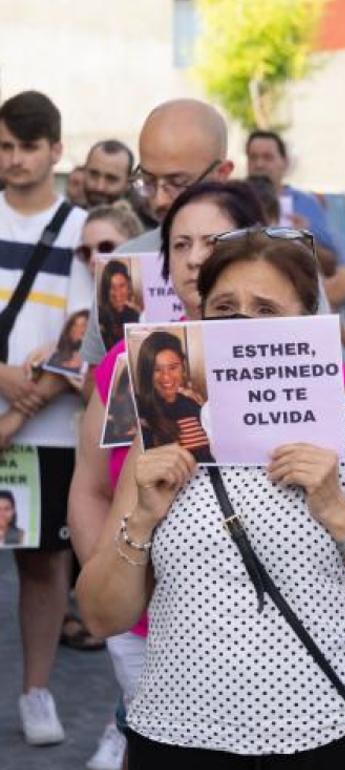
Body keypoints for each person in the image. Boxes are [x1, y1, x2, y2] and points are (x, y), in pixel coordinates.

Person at [76, 227, 345, 767]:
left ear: (307, 323)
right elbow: (99, 615)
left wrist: (339, 515)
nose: (242, 325)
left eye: (266, 309)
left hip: (329, 737)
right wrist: (142, 519)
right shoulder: (162, 434)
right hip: (176, 737)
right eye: (224, 307)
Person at [68, 180, 268, 770]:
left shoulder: (302, 362)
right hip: (149, 627)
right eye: (179, 245)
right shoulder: (122, 366)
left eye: (213, 241)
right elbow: (89, 488)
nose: (196, 259)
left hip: (264, 631)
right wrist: (114, 589)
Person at [0, 90, 92, 747]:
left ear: (56, 150)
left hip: (50, 429)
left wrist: (21, 403)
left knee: (42, 562)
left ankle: (37, 691)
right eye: (5, 147)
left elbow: (84, 335)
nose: (15, 160)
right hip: (22, 408)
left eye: (28, 147)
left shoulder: (83, 228)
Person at [79, 98, 235, 370]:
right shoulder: (124, 263)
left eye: (177, 183)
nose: (159, 200)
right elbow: (96, 382)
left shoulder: (279, 260)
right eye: (148, 181)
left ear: (222, 174)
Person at [245, 129, 340, 260]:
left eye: (268, 157)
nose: (259, 164)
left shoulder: (307, 204)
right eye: (253, 157)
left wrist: (305, 240)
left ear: (285, 162)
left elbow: (332, 264)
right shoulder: (234, 201)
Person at [131, 331, 212, 463]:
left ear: (183, 367)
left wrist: (205, 410)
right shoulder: (140, 411)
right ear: (147, 373)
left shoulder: (193, 403)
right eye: (157, 370)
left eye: (173, 367)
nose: (166, 377)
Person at [96, 260, 141, 349]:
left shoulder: (135, 314)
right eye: (112, 287)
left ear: (128, 286)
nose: (117, 293)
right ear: (106, 290)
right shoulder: (99, 316)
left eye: (122, 286)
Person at [83, 140, 134, 207]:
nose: (99, 187)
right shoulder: (68, 215)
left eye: (111, 179)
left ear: (128, 183)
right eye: (94, 175)